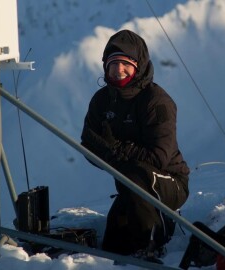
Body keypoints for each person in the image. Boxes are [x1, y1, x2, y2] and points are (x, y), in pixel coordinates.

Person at [80, 29, 190, 260]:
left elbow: (158, 158)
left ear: (138, 66)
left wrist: (113, 149)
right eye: (113, 64)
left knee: (137, 176)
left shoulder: (156, 101)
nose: (118, 70)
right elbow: (88, 147)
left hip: (169, 182)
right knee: (113, 247)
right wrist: (109, 151)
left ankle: (154, 242)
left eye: (125, 64)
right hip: (131, 188)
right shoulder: (102, 101)